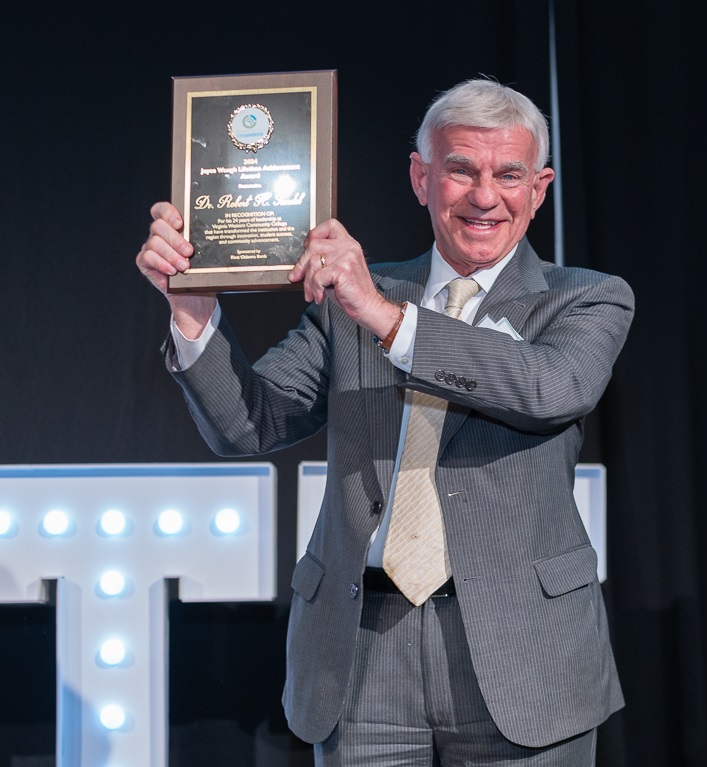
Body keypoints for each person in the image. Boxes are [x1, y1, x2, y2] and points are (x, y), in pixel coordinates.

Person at [137, 78, 634, 766]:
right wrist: (192, 314)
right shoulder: (354, 300)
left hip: (524, 652)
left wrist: (383, 316)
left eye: (508, 174)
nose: (484, 196)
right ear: (420, 177)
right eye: (460, 169)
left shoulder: (584, 298)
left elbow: (548, 387)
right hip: (361, 646)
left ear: (539, 187)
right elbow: (248, 426)